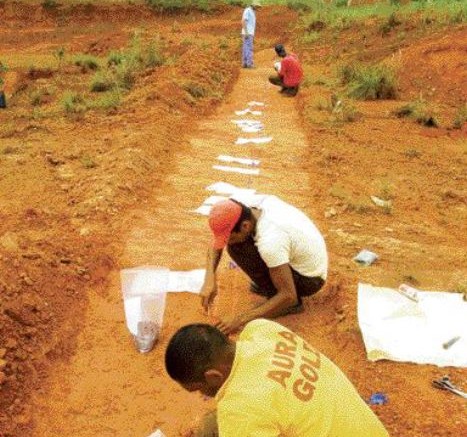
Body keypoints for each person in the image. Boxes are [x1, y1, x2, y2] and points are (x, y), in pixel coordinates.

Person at [165, 319, 390, 437]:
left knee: (210, 428)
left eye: (198, 389)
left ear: (213, 376)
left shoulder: (239, 408)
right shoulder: (262, 330)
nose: (202, 396)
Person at [200, 194, 328, 334]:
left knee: (238, 248)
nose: (226, 242)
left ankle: (285, 304)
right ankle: (272, 287)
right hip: (301, 257)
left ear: (245, 226)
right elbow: (217, 243)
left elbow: (289, 295)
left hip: (310, 279)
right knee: (237, 244)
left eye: (230, 237)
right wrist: (209, 278)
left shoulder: (271, 240)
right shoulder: (240, 206)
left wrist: (240, 319)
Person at [241, 1, 261, 68]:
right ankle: (250, 64)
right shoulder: (247, 10)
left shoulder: (253, 12)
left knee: (245, 48)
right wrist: (246, 32)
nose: (258, 8)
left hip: (250, 33)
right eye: (257, 6)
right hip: (247, 32)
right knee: (249, 48)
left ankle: (244, 63)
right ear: (254, 6)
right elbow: (243, 21)